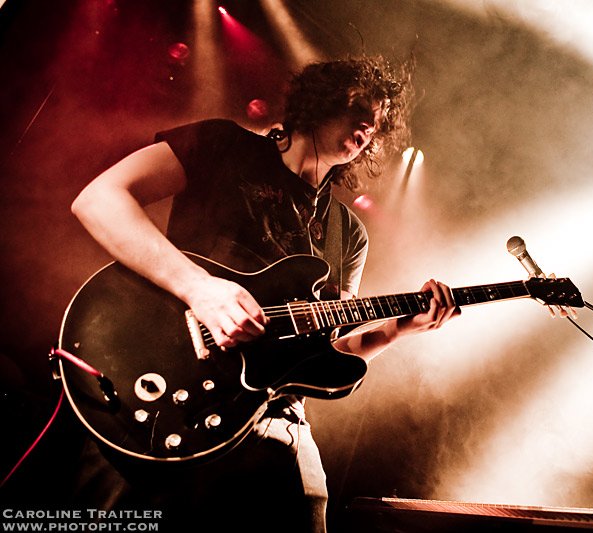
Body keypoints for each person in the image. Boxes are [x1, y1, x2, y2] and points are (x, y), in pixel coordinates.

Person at [67, 56, 460, 532]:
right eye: (360, 107)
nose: (369, 125)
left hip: (275, 420)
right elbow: (99, 199)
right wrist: (199, 288)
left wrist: (398, 330)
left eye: (377, 122)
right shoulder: (223, 144)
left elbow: (329, 351)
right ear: (319, 100)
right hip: (164, 389)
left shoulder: (347, 233)